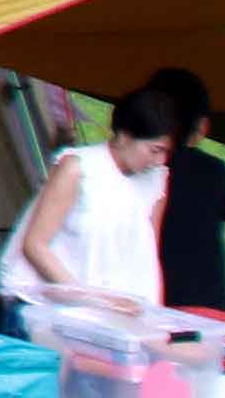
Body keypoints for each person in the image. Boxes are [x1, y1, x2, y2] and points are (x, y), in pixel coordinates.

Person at [11, 82, 182, 322]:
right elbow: (35, 245)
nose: (160, 160)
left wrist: (155, 318)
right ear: (124, 136)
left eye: (166, 152)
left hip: (111, 319)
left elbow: (146, 254)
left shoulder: (156, 181)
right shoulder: (78, 168)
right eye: (154, 150)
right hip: (47, 312)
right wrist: (90, 302)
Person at [140, 65, 225, 330]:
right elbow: (224, 213)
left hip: (152, 303)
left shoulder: (142, 169)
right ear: (203, 126)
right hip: (211, 309)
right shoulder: (217, 171)